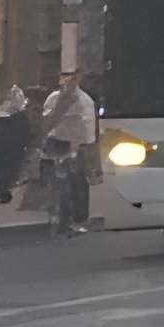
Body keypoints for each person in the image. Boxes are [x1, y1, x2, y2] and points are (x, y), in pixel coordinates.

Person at [38, 72, 99, 233]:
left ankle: (76, 219)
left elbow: (86, 128)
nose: (67, 81)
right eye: (64, 77)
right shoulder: (54, 98)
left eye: (71, 78)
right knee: (61, 185)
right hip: (59, 145)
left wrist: (81, 150)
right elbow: (48, 123)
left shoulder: (84, 100)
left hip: (78, 147)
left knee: (77, 184)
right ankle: (62, 220)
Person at [0, 76, 30, 204]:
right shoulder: (19, 117)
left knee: (0, 168)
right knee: (4, 168)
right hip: (8, 147)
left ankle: (1, 190)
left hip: (2, 146)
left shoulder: (1, 116)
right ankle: (3, 189)